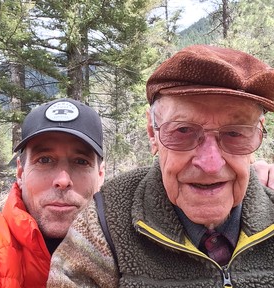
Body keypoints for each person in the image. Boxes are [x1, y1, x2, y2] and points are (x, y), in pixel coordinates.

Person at [47, 45, 274, 288]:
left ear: (256, 135)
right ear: (152, 134)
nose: (210, 164)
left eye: (235, 133)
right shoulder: (106, 222)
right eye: (183, 130)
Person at [0, 98, 105, 287]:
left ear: (100, 175)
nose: (63, 180)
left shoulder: (126, 253)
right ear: (20, 172)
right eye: (44, 160)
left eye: (81, 161)